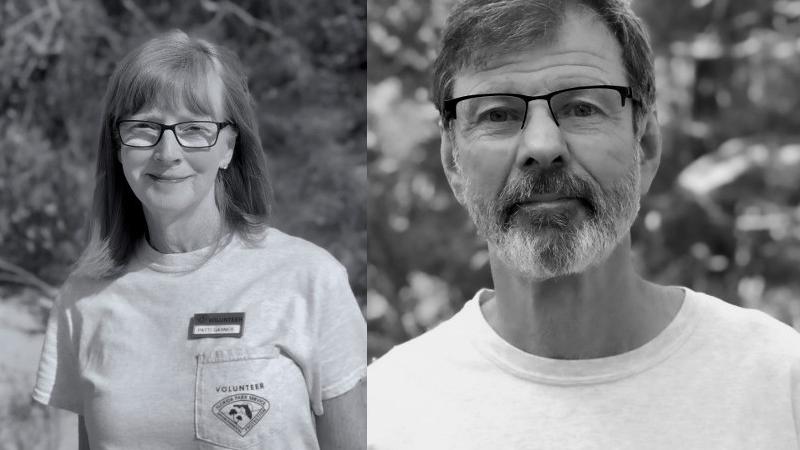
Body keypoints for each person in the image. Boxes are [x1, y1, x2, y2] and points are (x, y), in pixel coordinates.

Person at [367, 1, 800, 448]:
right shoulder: (387, 413)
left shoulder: (776, 383)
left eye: (582, 108)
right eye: (498, 114)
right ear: (452, 164)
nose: (542, 145)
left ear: (646, 145)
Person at [32, 30, 366, 450]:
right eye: (144, 128)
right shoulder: (82, 300)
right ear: (118, 146)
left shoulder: (310, 280)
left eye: (193, 128)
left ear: (228, 147)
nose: (167, 152)